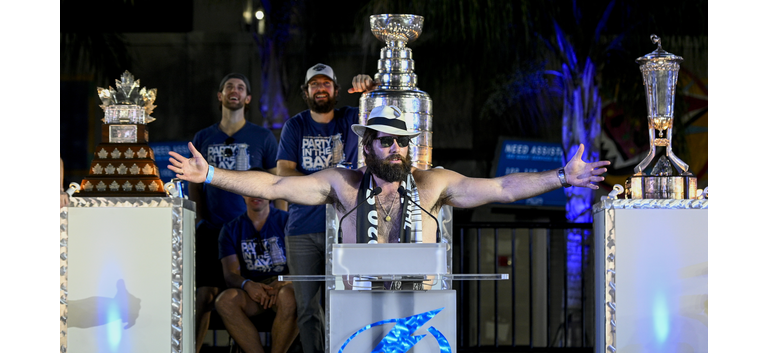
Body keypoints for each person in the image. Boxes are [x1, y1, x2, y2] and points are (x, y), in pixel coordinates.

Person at [169, 100, 610, 255]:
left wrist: (562, 177)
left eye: (401, 142)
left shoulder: (434, 183)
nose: (395, 149)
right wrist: (210, 175)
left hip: (422, 304)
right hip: (356, 305)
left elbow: (502, 187)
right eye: (386, 142)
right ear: (368, 147)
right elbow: (273, 185)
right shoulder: (342, 184)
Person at [274, 64, 362, 353]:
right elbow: (285, 172)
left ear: (336, 90)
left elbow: (378, 113)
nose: (320, 89)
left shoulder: (351, 118)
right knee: (307, 308)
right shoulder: (295, 125)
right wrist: (329, 185)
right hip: (302, 229)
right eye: (314, 84)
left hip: (346, 228)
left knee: (347, 302)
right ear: (306, 91)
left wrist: (371, 89)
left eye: (326, 84)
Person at [190, 72, 279, 353]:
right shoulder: (204, 137)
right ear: (220, 96)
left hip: (249, 230)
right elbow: (195, 186)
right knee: (204, 295)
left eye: (241, 87)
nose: (235, 91)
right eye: (228, 86)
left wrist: (280, 222)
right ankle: (191, 348)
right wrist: (202, 219)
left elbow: (278, 184)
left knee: (251, 291)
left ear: (248, 98)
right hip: (214, 229)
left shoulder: (262, 137)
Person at [216, 176, 298, 353]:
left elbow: (304, 265)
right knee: (224, 301)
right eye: (250, 189)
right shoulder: (230, 229)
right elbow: (230, 275)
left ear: (270, 193)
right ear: (242, 195)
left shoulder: (288, 221)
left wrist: (285, 281)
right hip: (252, 292)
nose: (256, 194)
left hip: (282, 287)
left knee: (291, 296)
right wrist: (248, 285)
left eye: (260, 189)